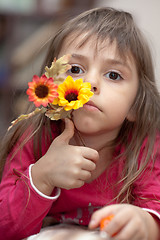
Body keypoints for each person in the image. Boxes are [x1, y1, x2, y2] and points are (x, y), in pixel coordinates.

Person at [0, 7, 160, 240]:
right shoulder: (33, 138)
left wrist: (146, 224)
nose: (89, 82)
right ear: (49, 85)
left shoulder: (147, 148)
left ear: (135, 106)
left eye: (113, 75)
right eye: (75, 69)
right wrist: (42, 177)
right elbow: (4, 229)